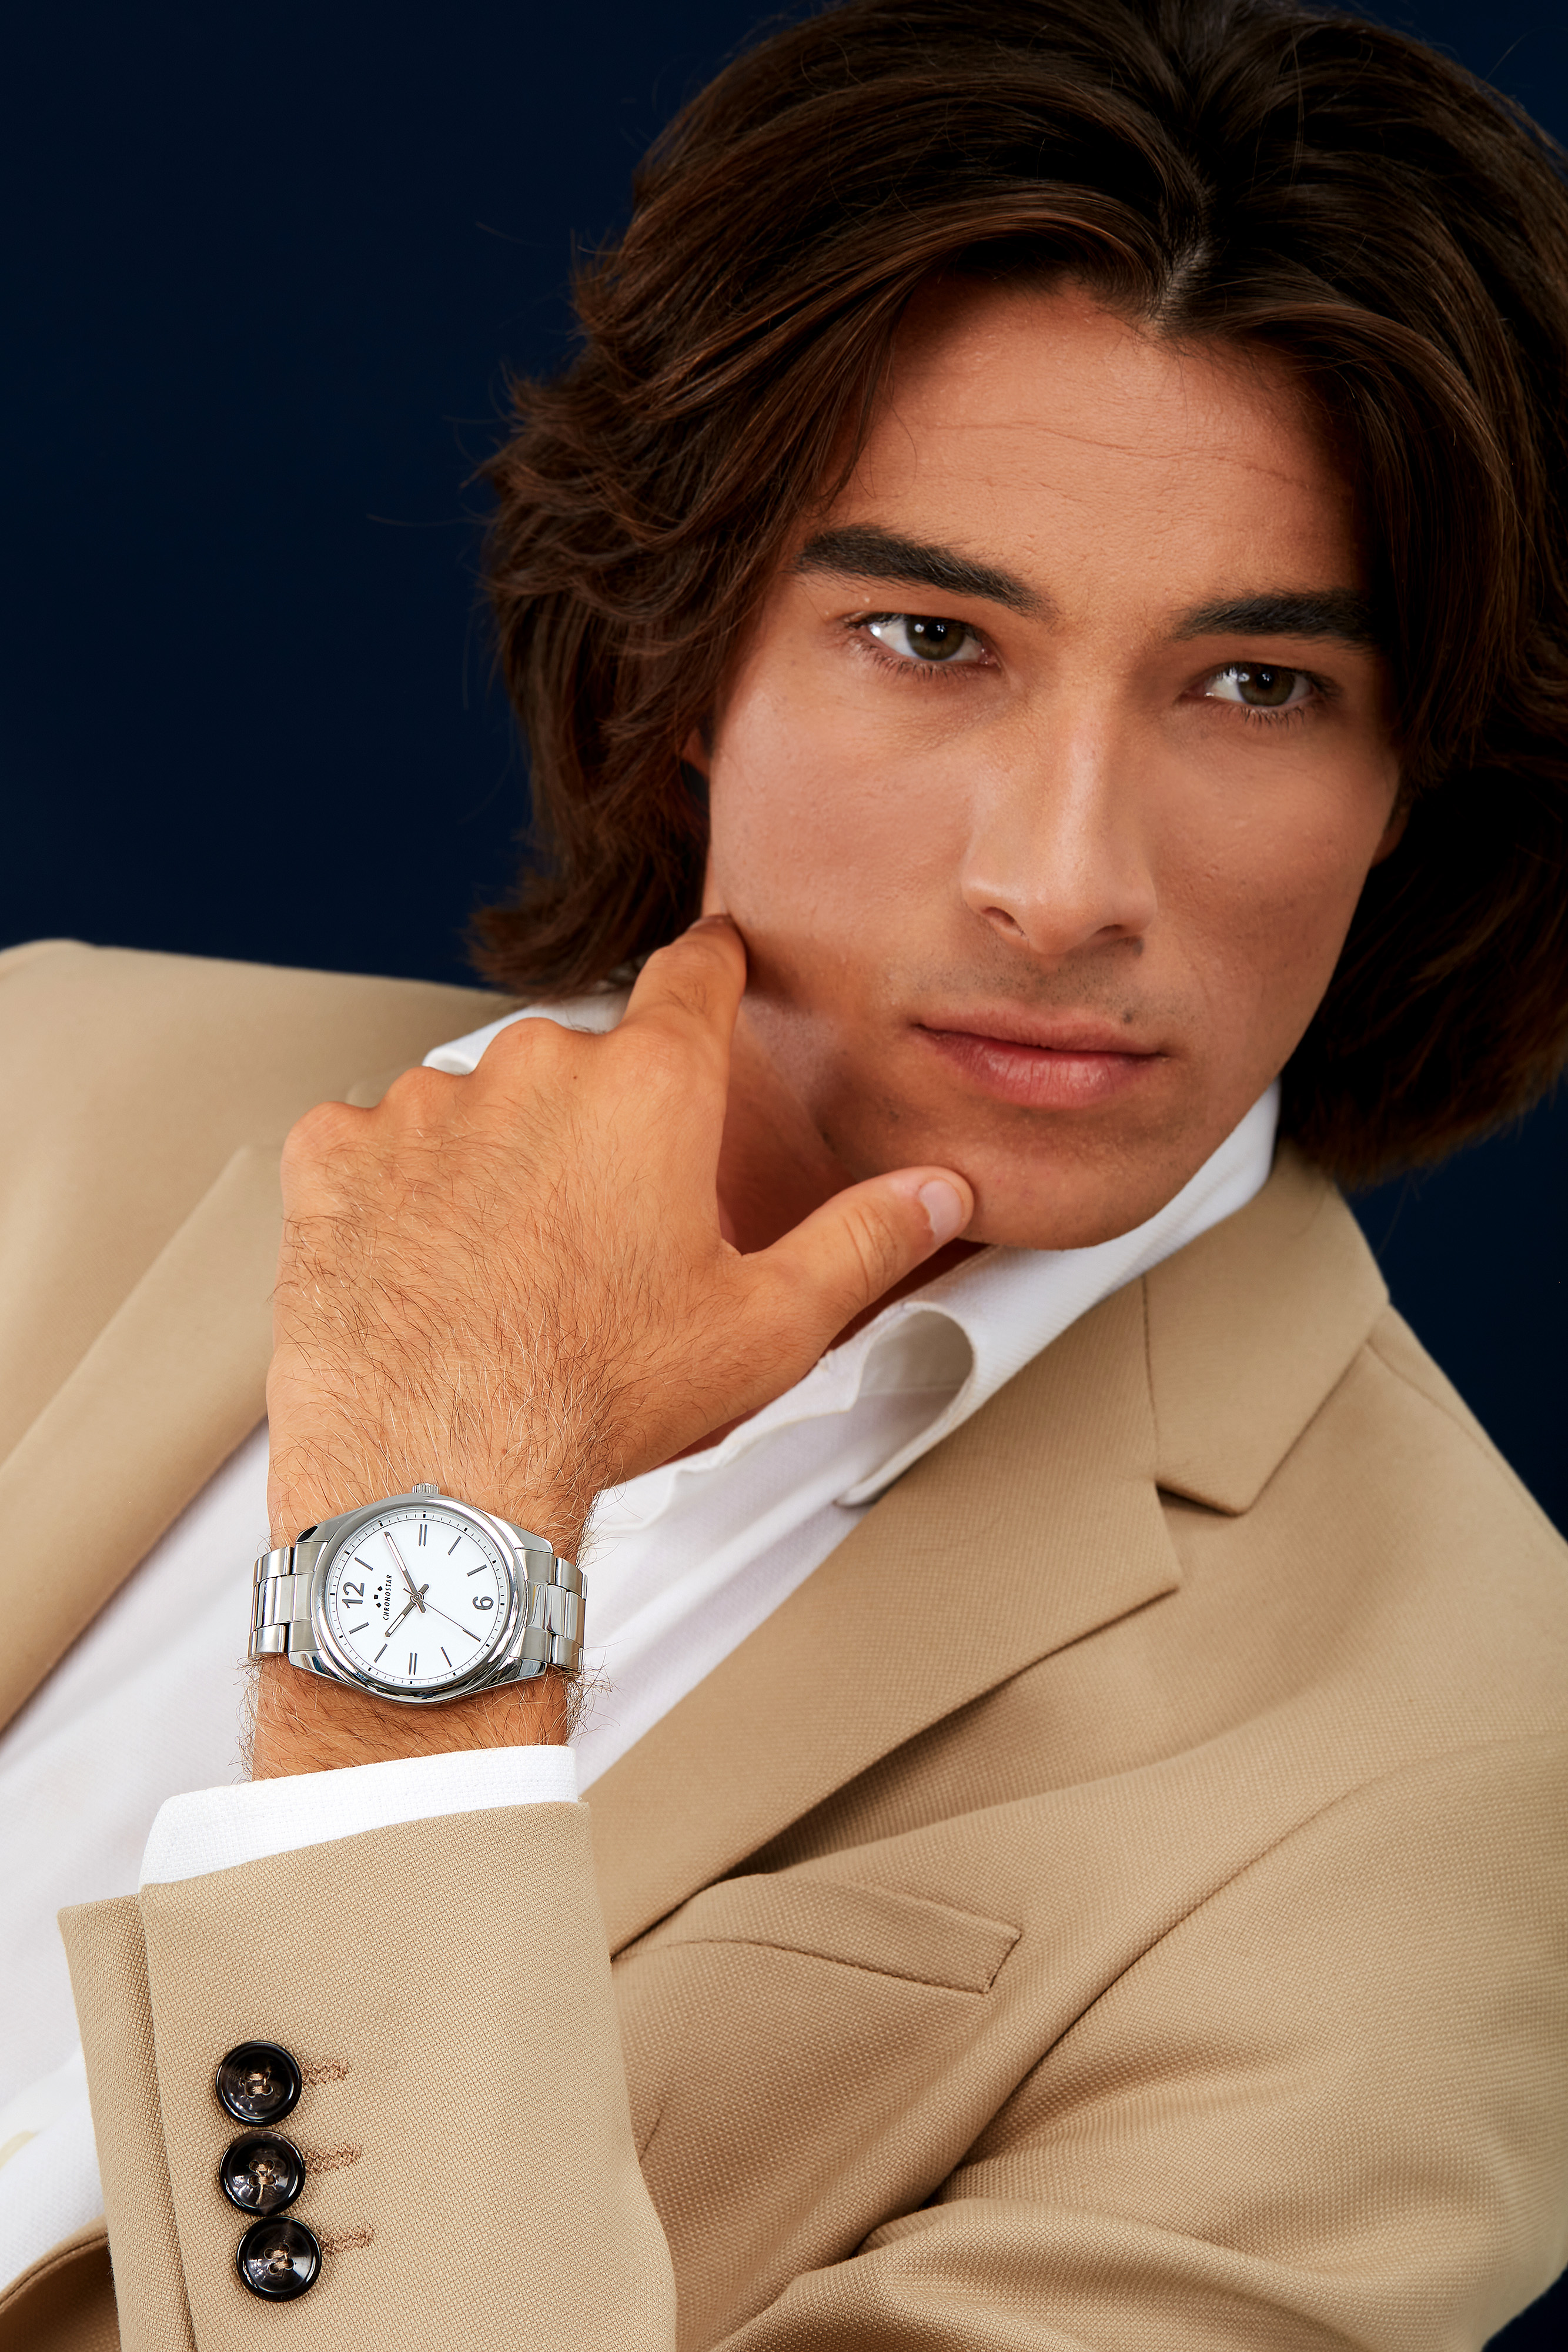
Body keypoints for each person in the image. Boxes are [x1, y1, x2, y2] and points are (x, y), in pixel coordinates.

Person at [2, 0, 1566, 2343]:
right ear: (681, 665)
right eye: (929, 638)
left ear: (1419, 781)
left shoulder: (1462, 1777)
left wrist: (427, 1580)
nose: (1063, 879)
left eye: (1257, 687)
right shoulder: (40, 1075)